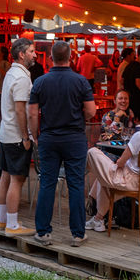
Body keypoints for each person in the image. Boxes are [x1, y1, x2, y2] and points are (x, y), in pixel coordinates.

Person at [28, 40, 98, 247]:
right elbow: (92, 111)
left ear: (50, 58)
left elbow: (32, 113)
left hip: (49, 137)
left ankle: (43, 232)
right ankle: (77, 234)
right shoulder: (81, 81)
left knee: (47, 184)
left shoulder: (40, 82)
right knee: (76, 184)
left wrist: (35, 135)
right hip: (74, 137)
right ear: (71, 58)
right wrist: (79, 117)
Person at [84, 100, 140, 232]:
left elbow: (121, 162)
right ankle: (98, 220)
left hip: (131, 181)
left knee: (92, 152)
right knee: (104, 178)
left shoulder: (139, 137)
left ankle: (98, 219)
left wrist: (114, 165)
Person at [0, 37, 38, 236]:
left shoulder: (11, 73)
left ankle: (2, 219)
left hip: (5, 132)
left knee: (5, 175)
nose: (35, 54)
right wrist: (26, 136)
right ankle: (12, 225)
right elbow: (21, 110)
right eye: (31, 51)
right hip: (16, 135)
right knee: (17, 179)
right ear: (22, 54)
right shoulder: (21, 77)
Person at [122, 43, 140, 117]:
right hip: (137, 99)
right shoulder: (139, 67)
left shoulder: (129, 65)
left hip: (128, 98)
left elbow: (121, 80)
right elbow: (138, 83)